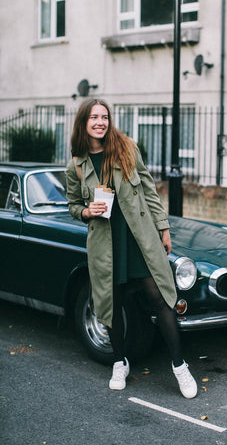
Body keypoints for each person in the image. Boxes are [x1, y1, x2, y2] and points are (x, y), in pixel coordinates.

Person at [66, 98, 197, 399]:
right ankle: (119, 361)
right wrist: (87, 211)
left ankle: (180, 366)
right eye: (94, 117)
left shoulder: (127, 148)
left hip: (139, 238)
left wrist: (163, 228)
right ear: (83, 122)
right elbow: (73, 205)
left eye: (105, 117)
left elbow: (149, 190)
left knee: (160, 296)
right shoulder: (76, 163)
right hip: (104, 243)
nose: (100, 122)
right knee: (111, 304)